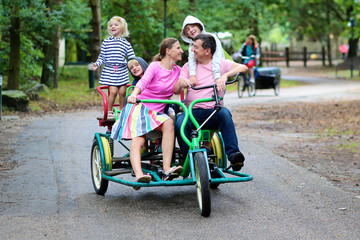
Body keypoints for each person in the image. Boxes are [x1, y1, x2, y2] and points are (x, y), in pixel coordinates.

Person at [111, 38, 184, 189]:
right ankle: (139, 175)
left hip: (157, 113)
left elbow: (177, 90)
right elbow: (142, 83)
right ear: (168, 51)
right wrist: (134, 94)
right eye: (178, 47)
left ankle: (166, 169)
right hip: (141, 107)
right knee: (139, 139)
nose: (181, 50)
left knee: (170, 122)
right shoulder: (155, 66)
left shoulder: (178, 70)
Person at [174, 34, 248, 171]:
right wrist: (181, 82)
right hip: (192, 112)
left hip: (212, 111)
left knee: (225, 113)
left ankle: (233, 155)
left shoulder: (219, 64)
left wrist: (224, 76)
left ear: (207, 51)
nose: (192, 50)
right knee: (179, 123)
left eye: (196, 47)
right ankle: (188, 158)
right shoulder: (189, 67)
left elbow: (243, 67)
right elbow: (176, 90)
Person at [91, 16, 135, 119]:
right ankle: (109, 111)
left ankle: (122, 111)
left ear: (122, 28)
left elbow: (132, 57)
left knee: (123, 92)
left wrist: (135, 67)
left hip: (122, 70)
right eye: (110, 25)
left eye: (116, 25)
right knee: (113, 92)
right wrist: (97, 64)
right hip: (110, 70)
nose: (112, 27)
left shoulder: (126, 43)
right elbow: (102, 56)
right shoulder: (106, 42)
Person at [180, 15, 225, 87]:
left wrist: (217, 76)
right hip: (204, 75)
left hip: (217, 72)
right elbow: (192, 60)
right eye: (187, 30)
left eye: (193, 26)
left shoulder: (211, 38)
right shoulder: (191, 45)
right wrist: (192, 75)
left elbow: (217, 56)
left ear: (199, 26)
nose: (191, 30)